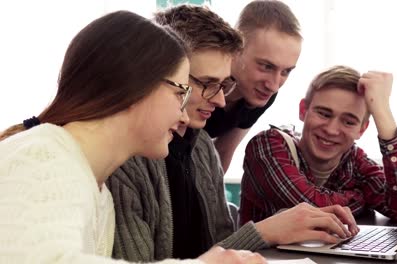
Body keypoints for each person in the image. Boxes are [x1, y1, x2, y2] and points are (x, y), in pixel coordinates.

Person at [0, 10, 266, 264]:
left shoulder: (96, 189)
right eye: (179, 92)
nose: (184, 116)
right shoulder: (42, 157)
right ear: (135, 90)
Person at [107, 5, 359, 264]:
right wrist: (264, 231)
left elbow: (218, 233)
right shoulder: (127, 160)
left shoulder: (203, 144)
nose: (220, 99)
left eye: (286, 71)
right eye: (207, 84)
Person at [240, 65, 397, 225]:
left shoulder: (354, 159)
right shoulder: (267, 146)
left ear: (362, 129)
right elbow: (310, 207)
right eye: (324, 114)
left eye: (349, 122)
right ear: (303, 110)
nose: (332, 130)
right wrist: (361, 198)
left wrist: (382, 111)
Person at [204, 0, 303, 172]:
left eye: (286, 71)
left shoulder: (261, 93)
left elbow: (223, 152)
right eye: (266, 66)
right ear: (236, 49)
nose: (273, 86)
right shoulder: (200, 78)